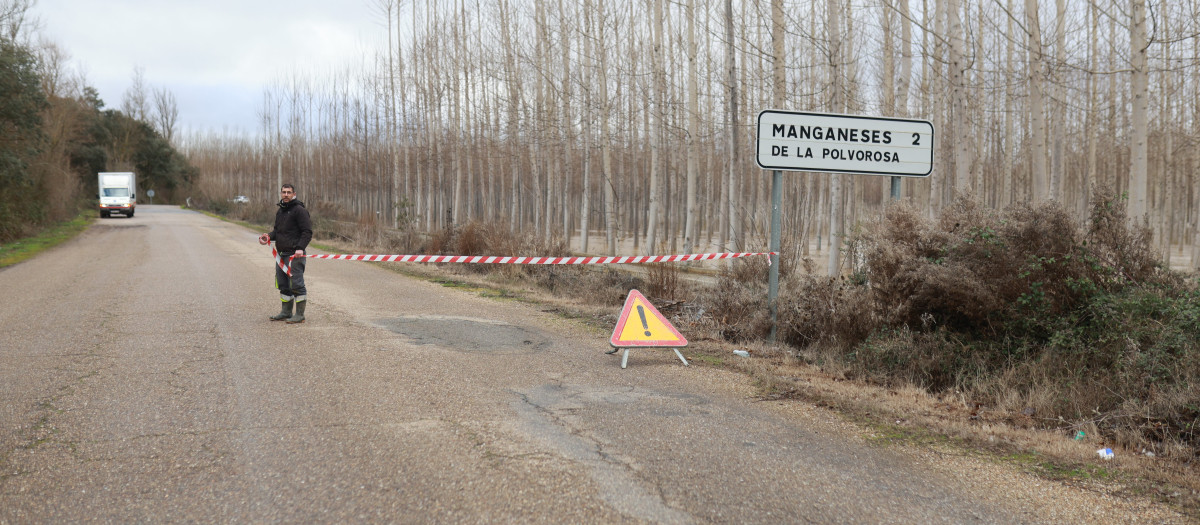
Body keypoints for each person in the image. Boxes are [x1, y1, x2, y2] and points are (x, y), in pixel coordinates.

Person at [258, 184, 313, 323]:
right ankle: (286, 312)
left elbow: (307, 232)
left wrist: (300, 248)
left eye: (289, 192)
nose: (286, 195)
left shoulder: (299, 210)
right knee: (283, 284)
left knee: (296, 284)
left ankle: (300, 315)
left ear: (294, 194)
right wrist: (269, 236)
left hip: (295, 255)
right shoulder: (281, 211)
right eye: (284, 192)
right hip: (281, 255)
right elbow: (278, 232)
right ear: (281, 193)